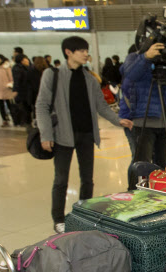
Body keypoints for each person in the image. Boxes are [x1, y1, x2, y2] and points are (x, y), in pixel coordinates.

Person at [35, 36, 133, 234]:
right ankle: (58, 218)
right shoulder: (52, 75)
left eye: (86, 50)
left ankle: (83, 215)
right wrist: (46, 134)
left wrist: (118, 120)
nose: (85, 53)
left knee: (87, 179)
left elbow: (101, 106)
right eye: (81, 50)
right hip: (62, 136)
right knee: (61, 180)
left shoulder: (89, 78)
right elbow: (42, 105)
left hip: (87, 135)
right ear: (68, 52)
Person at [121, 40, 166, 175]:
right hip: (144, 121)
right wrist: (146, 57)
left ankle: (158, 191)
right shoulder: (135, 57)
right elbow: (130, 74)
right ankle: (135, 191)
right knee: (141, 164)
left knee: (162, 165)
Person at [12, 54, 32, 126]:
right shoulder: (17, 68)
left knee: (28, 106)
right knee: (23, 107)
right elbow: (17, 80)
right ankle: (24, 121)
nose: (27, 60)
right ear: (21, 61)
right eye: (24, 59)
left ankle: (28, 121)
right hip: (22, 91)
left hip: (27, 90)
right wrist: (15, 90)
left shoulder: (28, 67)